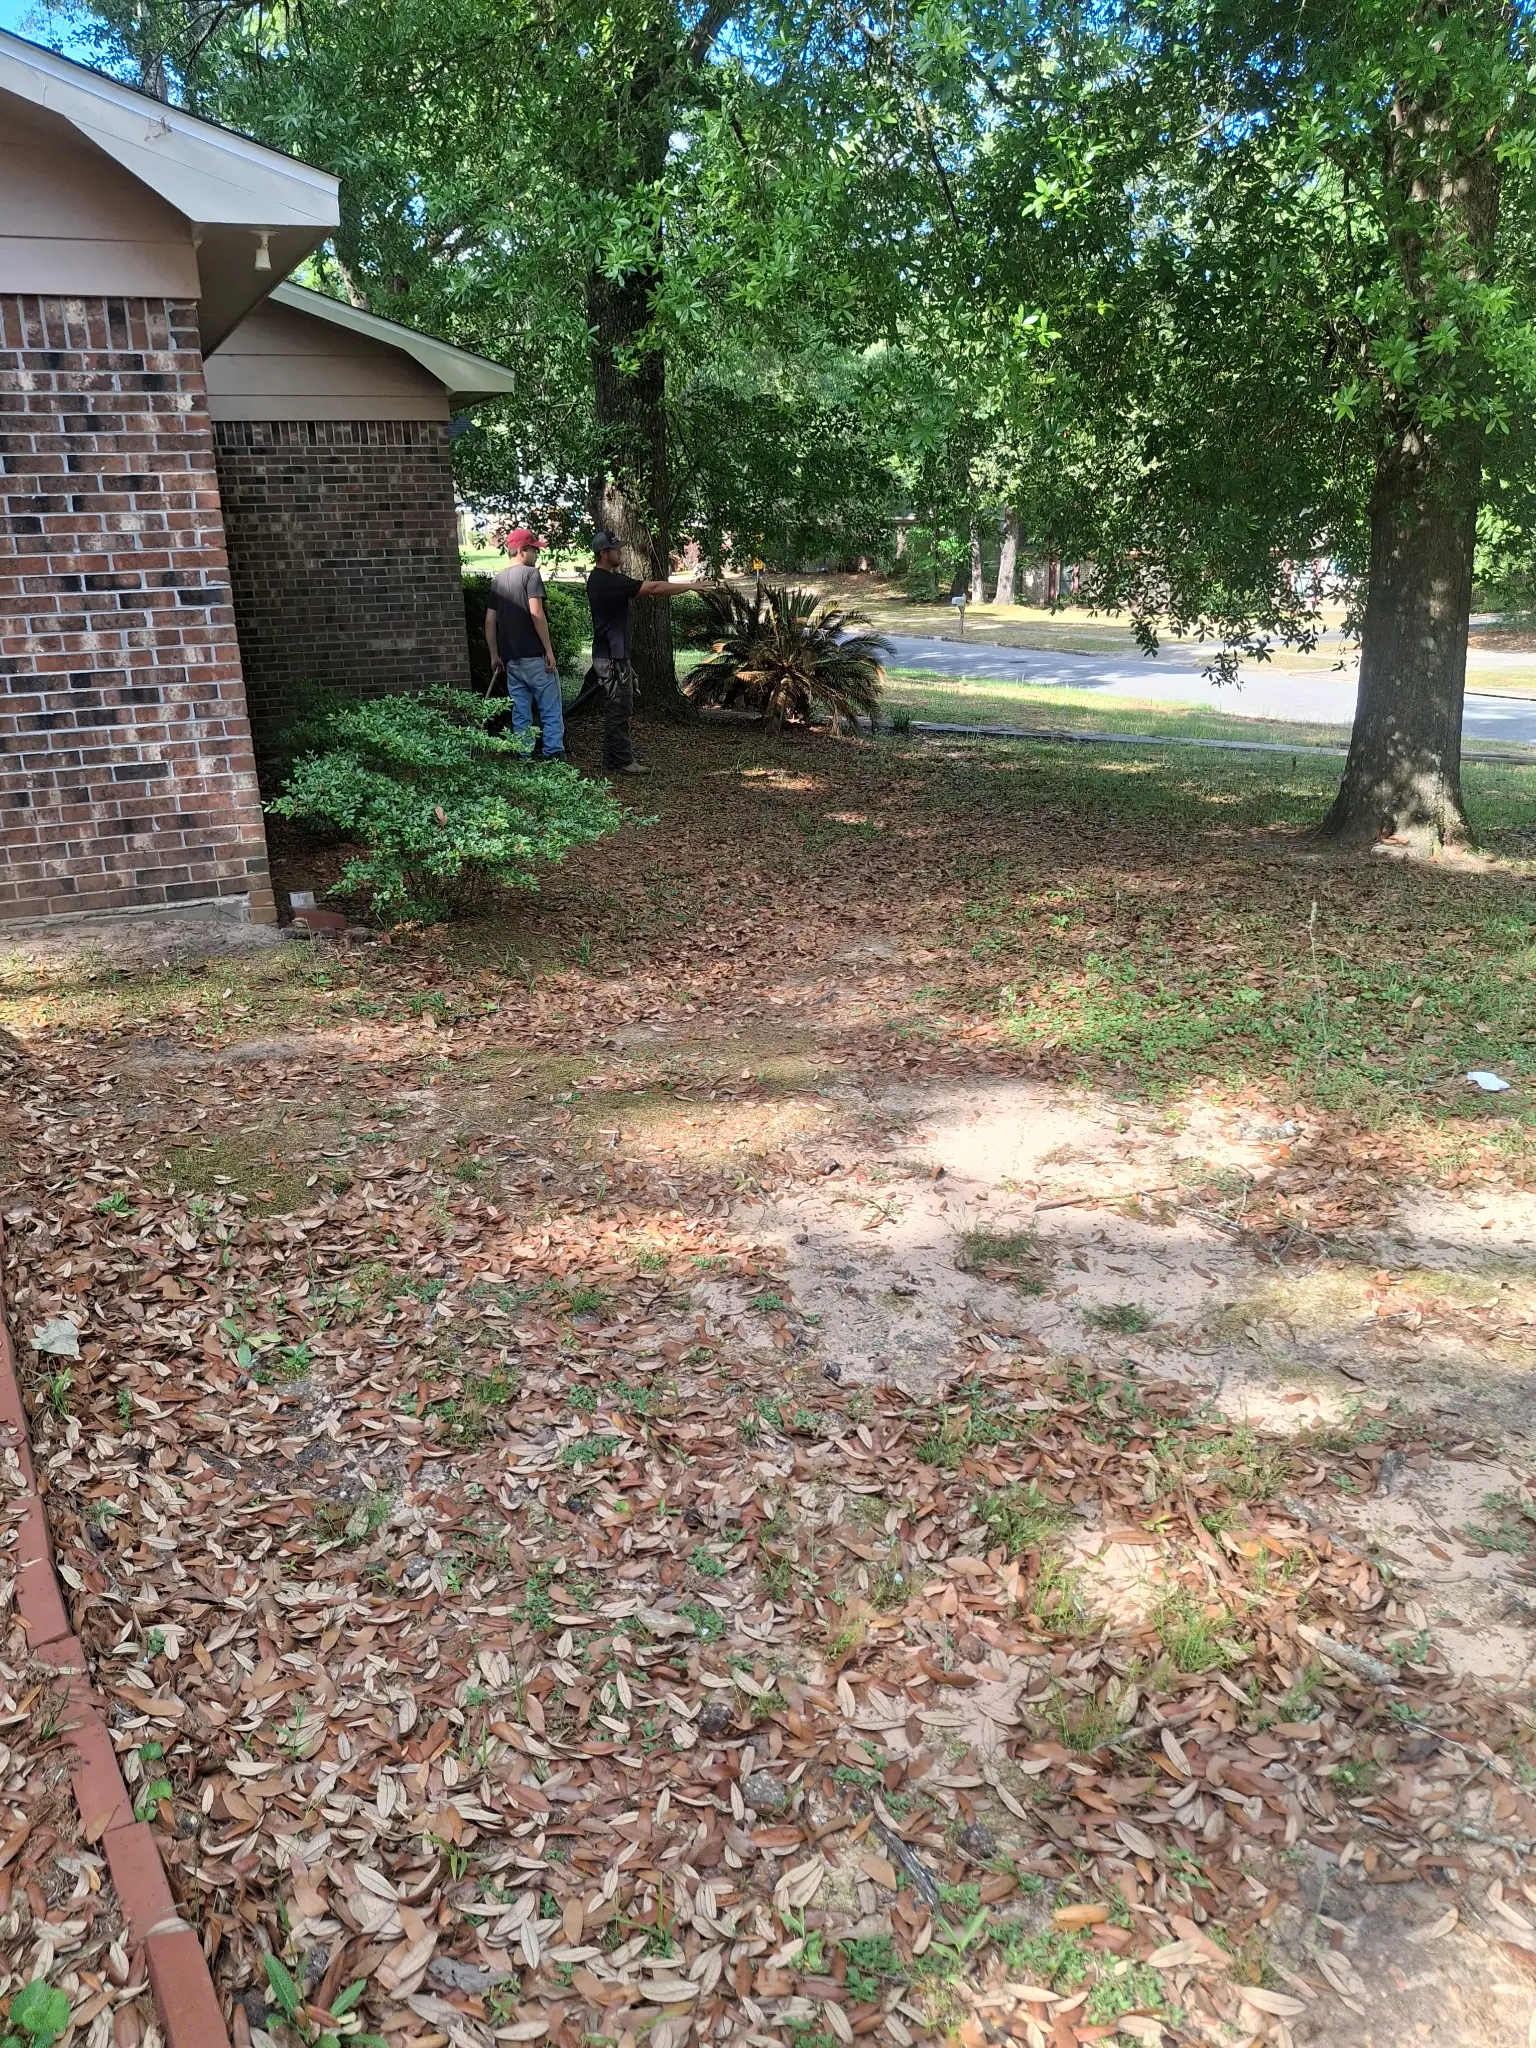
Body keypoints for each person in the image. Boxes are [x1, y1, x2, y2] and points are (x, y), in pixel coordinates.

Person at [567, 531, 702, 775]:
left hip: (611, 654)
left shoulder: (603, 579)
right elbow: (653, 587)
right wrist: (691, 586)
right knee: (619, 708)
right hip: (611, 656)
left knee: (617, 706)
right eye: (615, 549)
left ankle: (613, 759)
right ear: (603, 554)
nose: (620, 552)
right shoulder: (606, 581)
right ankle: (621, 761)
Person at [484, 527, 565, 762]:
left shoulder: (498, 580)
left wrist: (494, 655)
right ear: (521, 550)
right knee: (550, 708)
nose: (536, 554)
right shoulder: (531, 575)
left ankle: (523, 754)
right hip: (535, 657)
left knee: (520, 712)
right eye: (533, 549)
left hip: (511, 660)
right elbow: (536, 612)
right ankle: (553, 754)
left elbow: (489, 621)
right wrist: (548, 650)